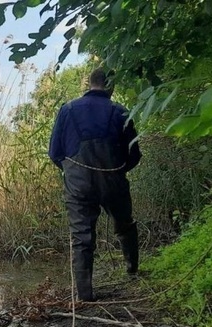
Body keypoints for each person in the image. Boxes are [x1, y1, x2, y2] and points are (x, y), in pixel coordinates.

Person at [48, 67, 141, 302]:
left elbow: (54, 152)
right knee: (125, 224)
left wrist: (73, 172)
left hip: (78, 183)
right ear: (111, 86)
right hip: (114, 179)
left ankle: (85, 295)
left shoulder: (67, 110)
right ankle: (132, 270)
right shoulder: (121, 112)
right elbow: (134, 155)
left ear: (89, 84)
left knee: (81, 237)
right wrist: (116, 171)